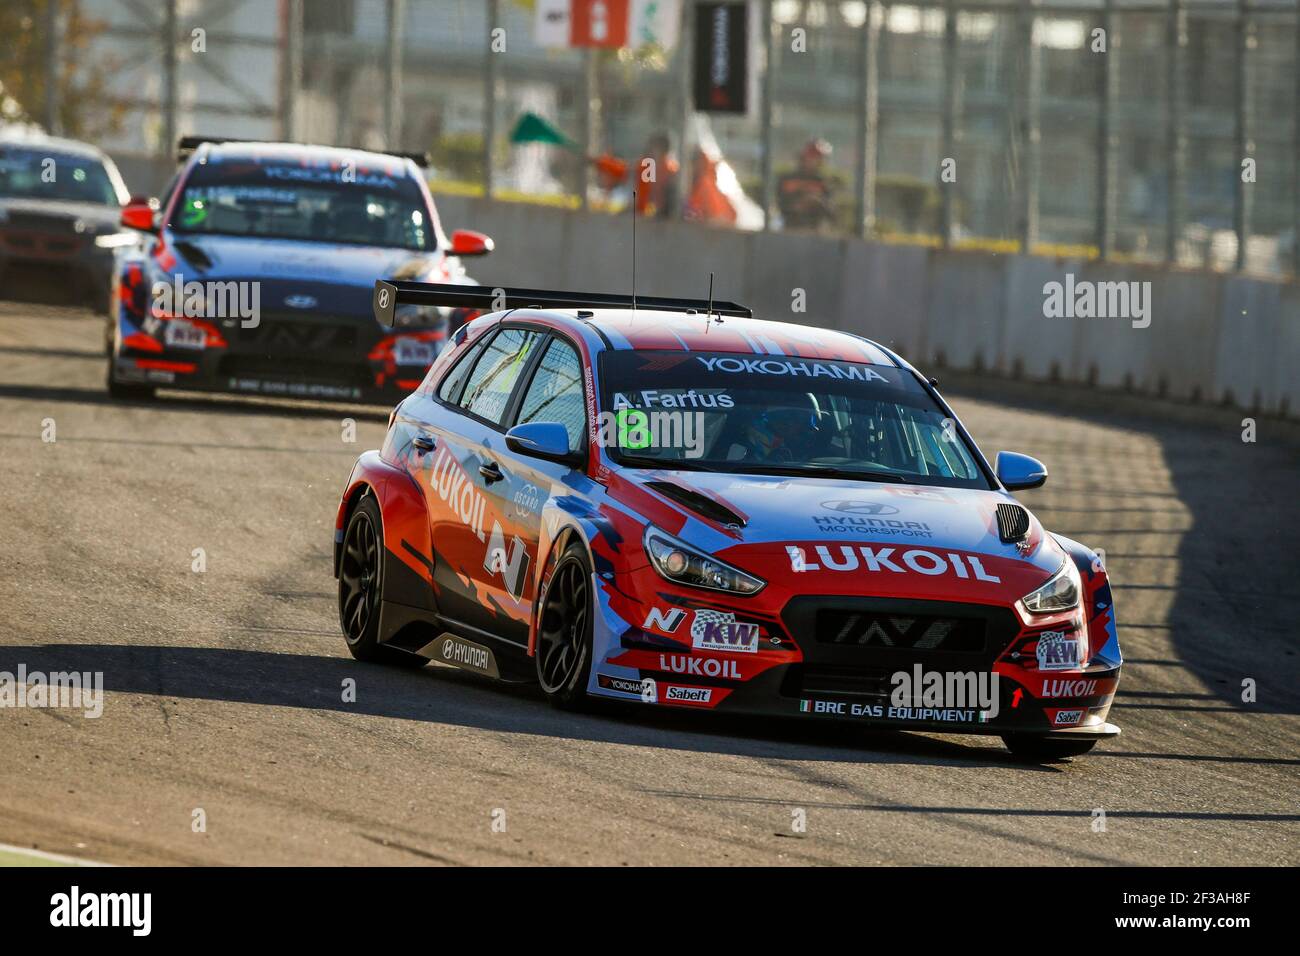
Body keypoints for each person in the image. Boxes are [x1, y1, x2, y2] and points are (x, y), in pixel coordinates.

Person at [777, 138, 836, 232]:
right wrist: (798, 204)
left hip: (815, 230)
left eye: (819, 158)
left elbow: (831, 212)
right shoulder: (788, 179)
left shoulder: (822, 182)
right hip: (791, 229)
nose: (816, 161)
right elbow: (781, 205)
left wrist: (818, 202)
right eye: (813, 156)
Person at [635, 132, 680, 219]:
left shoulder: (671, 170)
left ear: (664, 151)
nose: (650, 152)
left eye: (654, 148)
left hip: (663, 217)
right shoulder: (645, 167)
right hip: (644, 215)